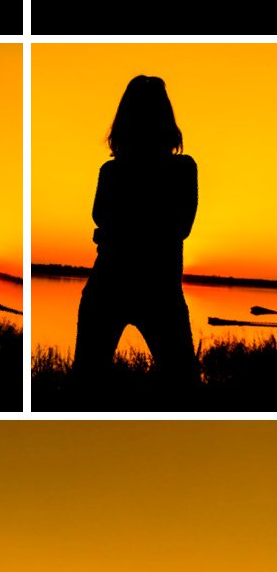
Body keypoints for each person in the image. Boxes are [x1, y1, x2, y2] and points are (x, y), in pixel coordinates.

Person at [73, 74, 198, 401]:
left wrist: (116, 233)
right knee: (183, 391)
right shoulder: (176, 171)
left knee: (88, 389)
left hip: (135, 289)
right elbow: (173, 227)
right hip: (145, 289)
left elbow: (107, 224)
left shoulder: (120, 173)